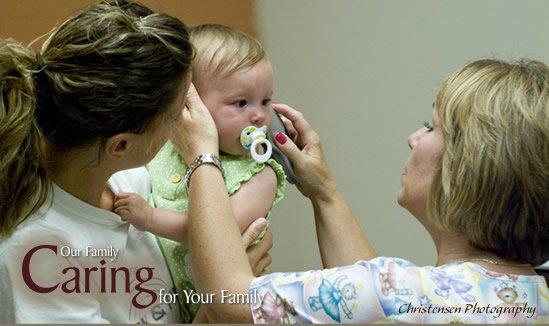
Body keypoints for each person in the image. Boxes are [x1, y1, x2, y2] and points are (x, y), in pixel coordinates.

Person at [177, 58, 549, 323]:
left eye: (430, 127)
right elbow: (372, 308)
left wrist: (202, 153)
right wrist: (324, 193)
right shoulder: (538, 295)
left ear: (468, 166)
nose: (413, 138)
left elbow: (229, 299)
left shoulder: (400, 293)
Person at [0, 1, 271, 323]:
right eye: (180, 115)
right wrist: (218, 312)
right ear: (122, 144)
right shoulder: (41, 258)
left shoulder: (134, 182)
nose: (193, 124)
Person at [112, 24, 286, 320]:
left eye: (265, 101)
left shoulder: (260, 175)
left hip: (216, 303)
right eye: (241, 103)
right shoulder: (164, 146)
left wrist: (150, 218)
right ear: (190, 102)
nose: (258, 116)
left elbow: (211, 233)